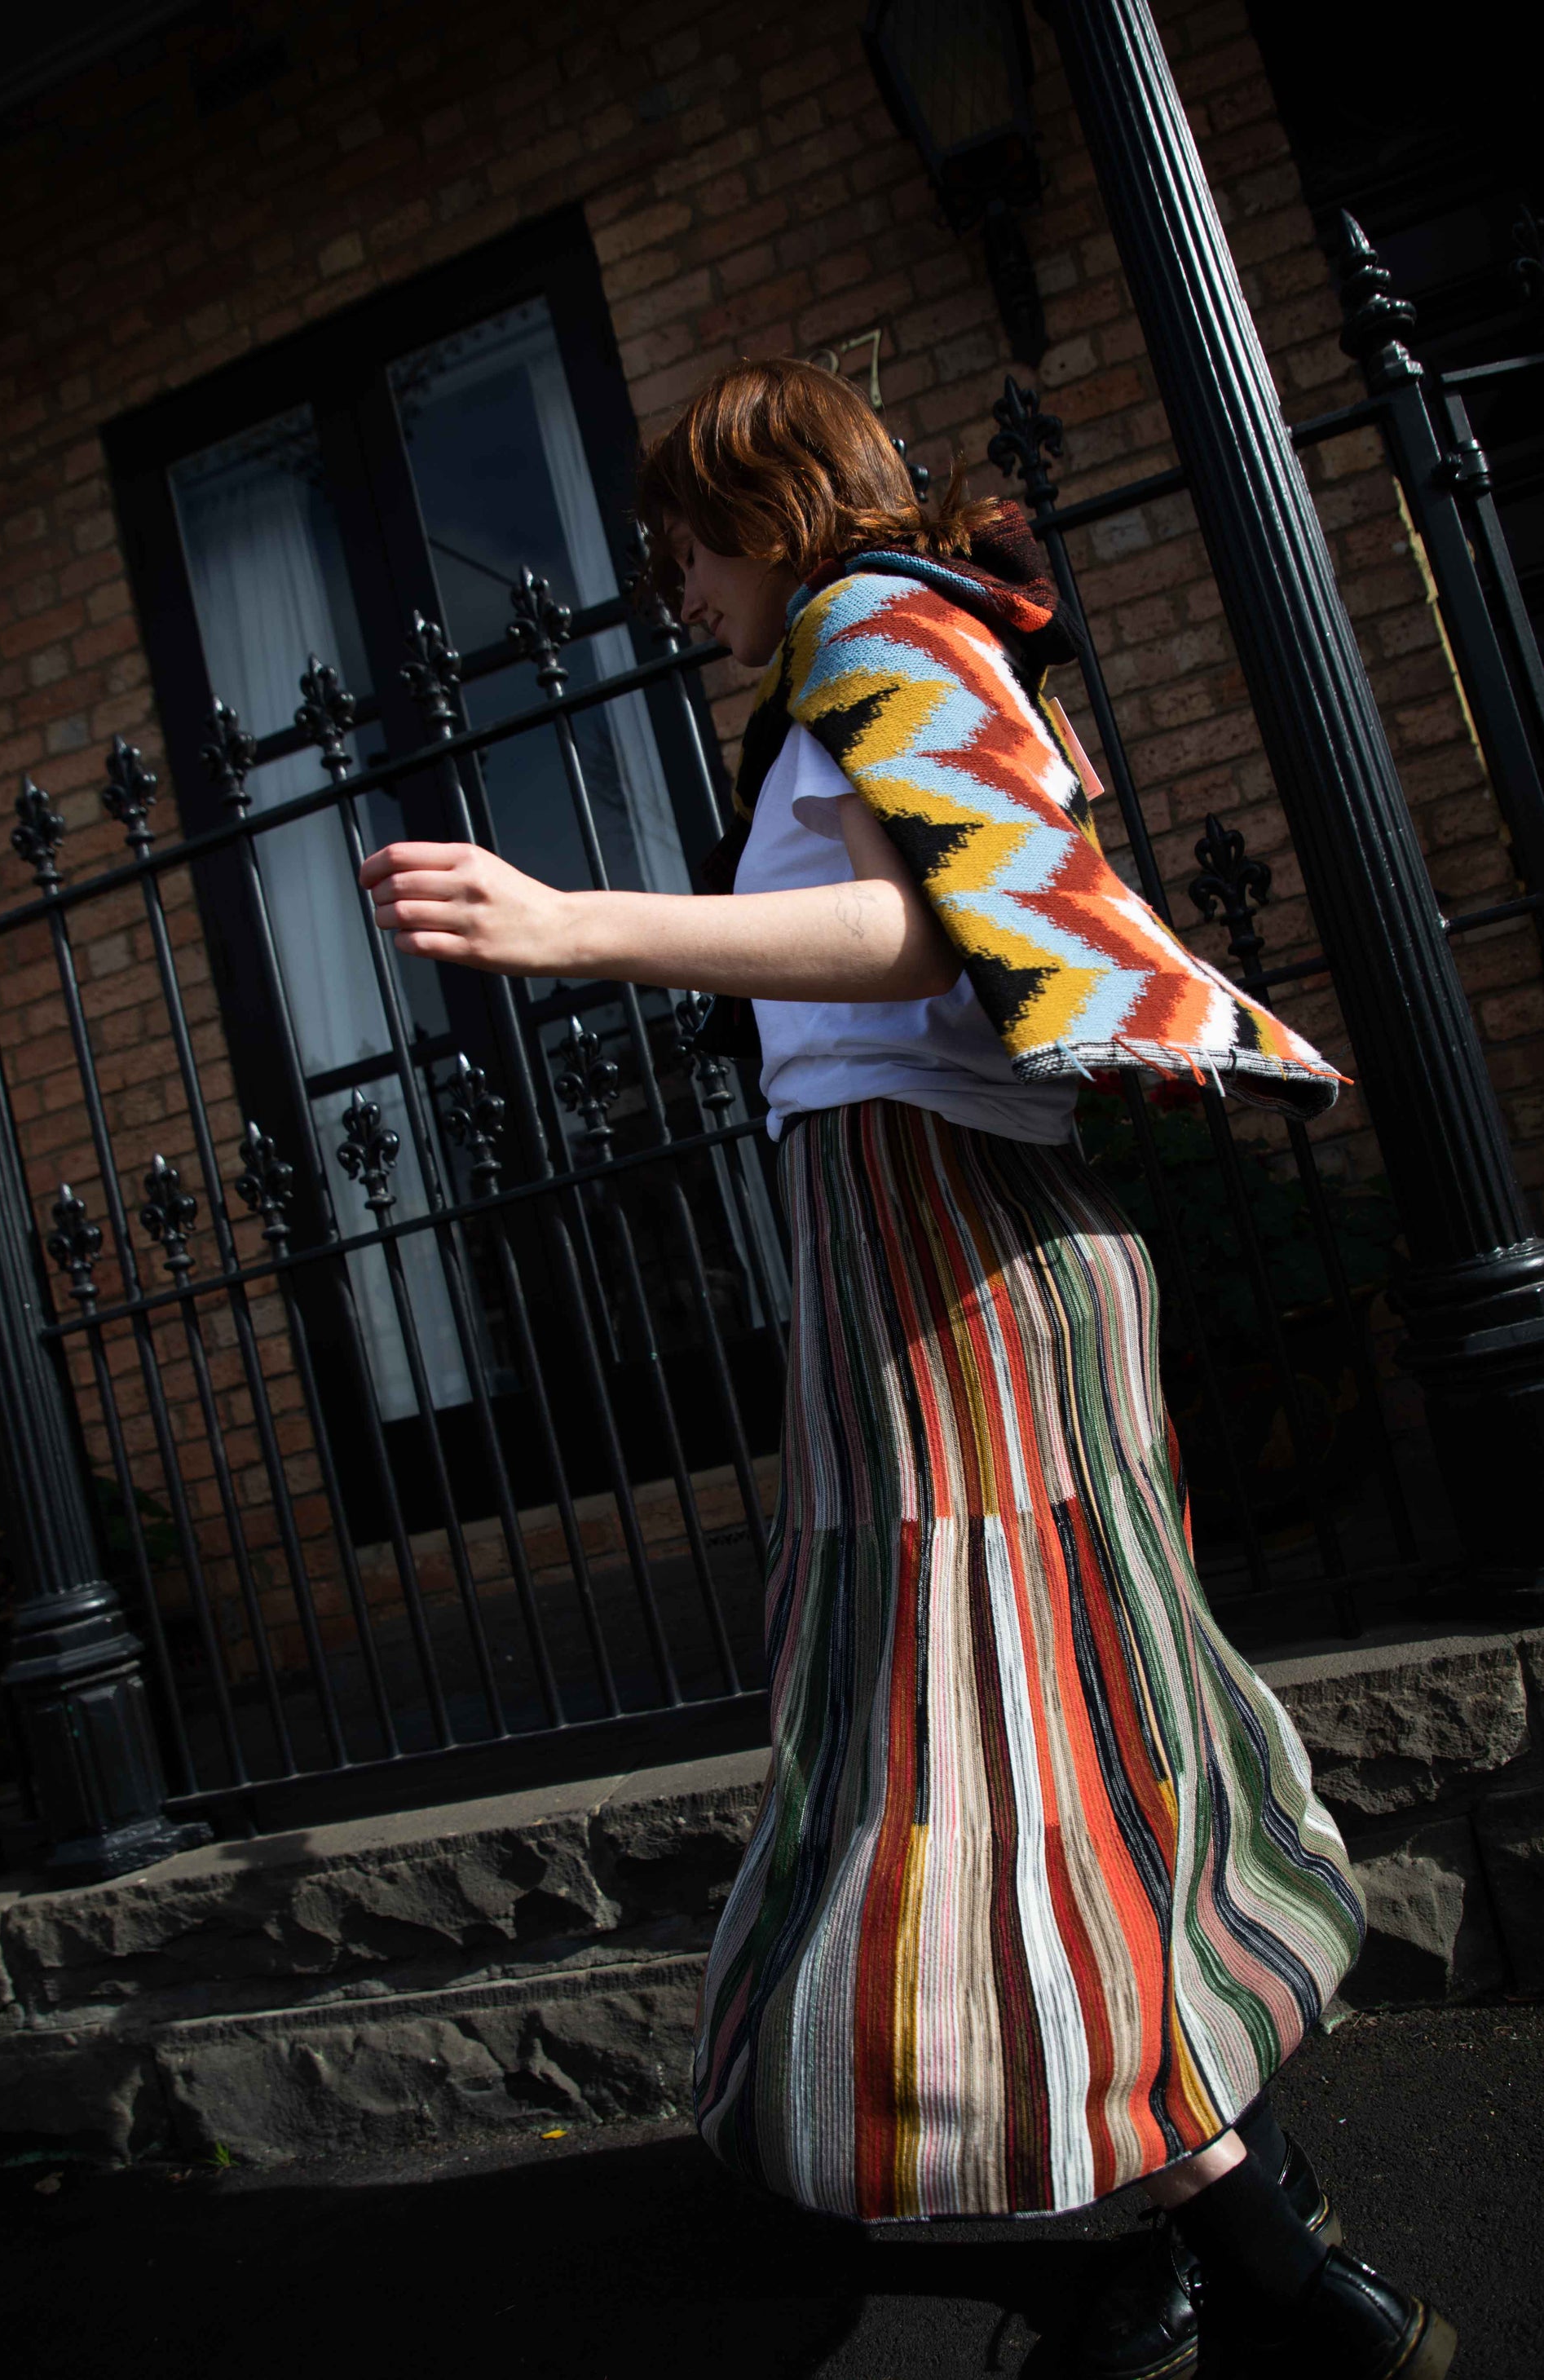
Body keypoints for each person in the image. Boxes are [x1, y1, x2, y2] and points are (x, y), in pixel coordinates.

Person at [361, 359, 1457, 2378]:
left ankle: (1265, 2250)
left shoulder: (871, 623)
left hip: (932, 1232)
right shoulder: (898, 645)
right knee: (1039, 1729)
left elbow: (912, 936)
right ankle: (1217, 2235)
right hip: (947, 1228)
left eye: (684, 551)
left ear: (764, 509)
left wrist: (570, 924)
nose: (677, 593)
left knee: (988, 1740)